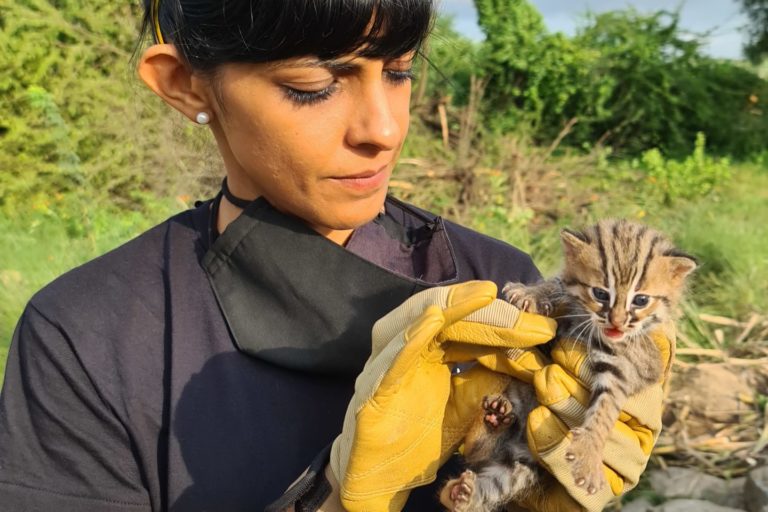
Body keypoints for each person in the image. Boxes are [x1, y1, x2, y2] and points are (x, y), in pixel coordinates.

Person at [0, 1, 664, 511]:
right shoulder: (89, 336)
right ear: (185, 84)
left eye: (401, 71)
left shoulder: (500, 282)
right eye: (315, 84)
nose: (384, 129)